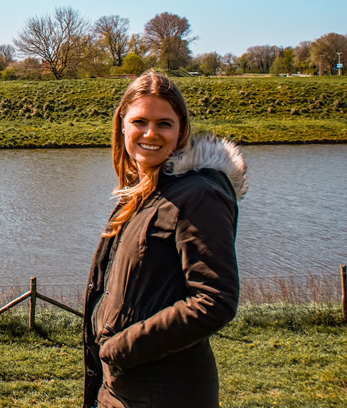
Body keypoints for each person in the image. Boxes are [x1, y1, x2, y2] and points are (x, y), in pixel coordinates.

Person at [83, 70, 247, 408]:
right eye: (140, 121)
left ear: (181, 129)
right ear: (122, 126)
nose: (150, 133)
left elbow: (214, 300)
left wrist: (119, 349)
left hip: (167, 392)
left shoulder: (198, 195)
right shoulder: (144, 192)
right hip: (124, 388)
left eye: (164, 124)